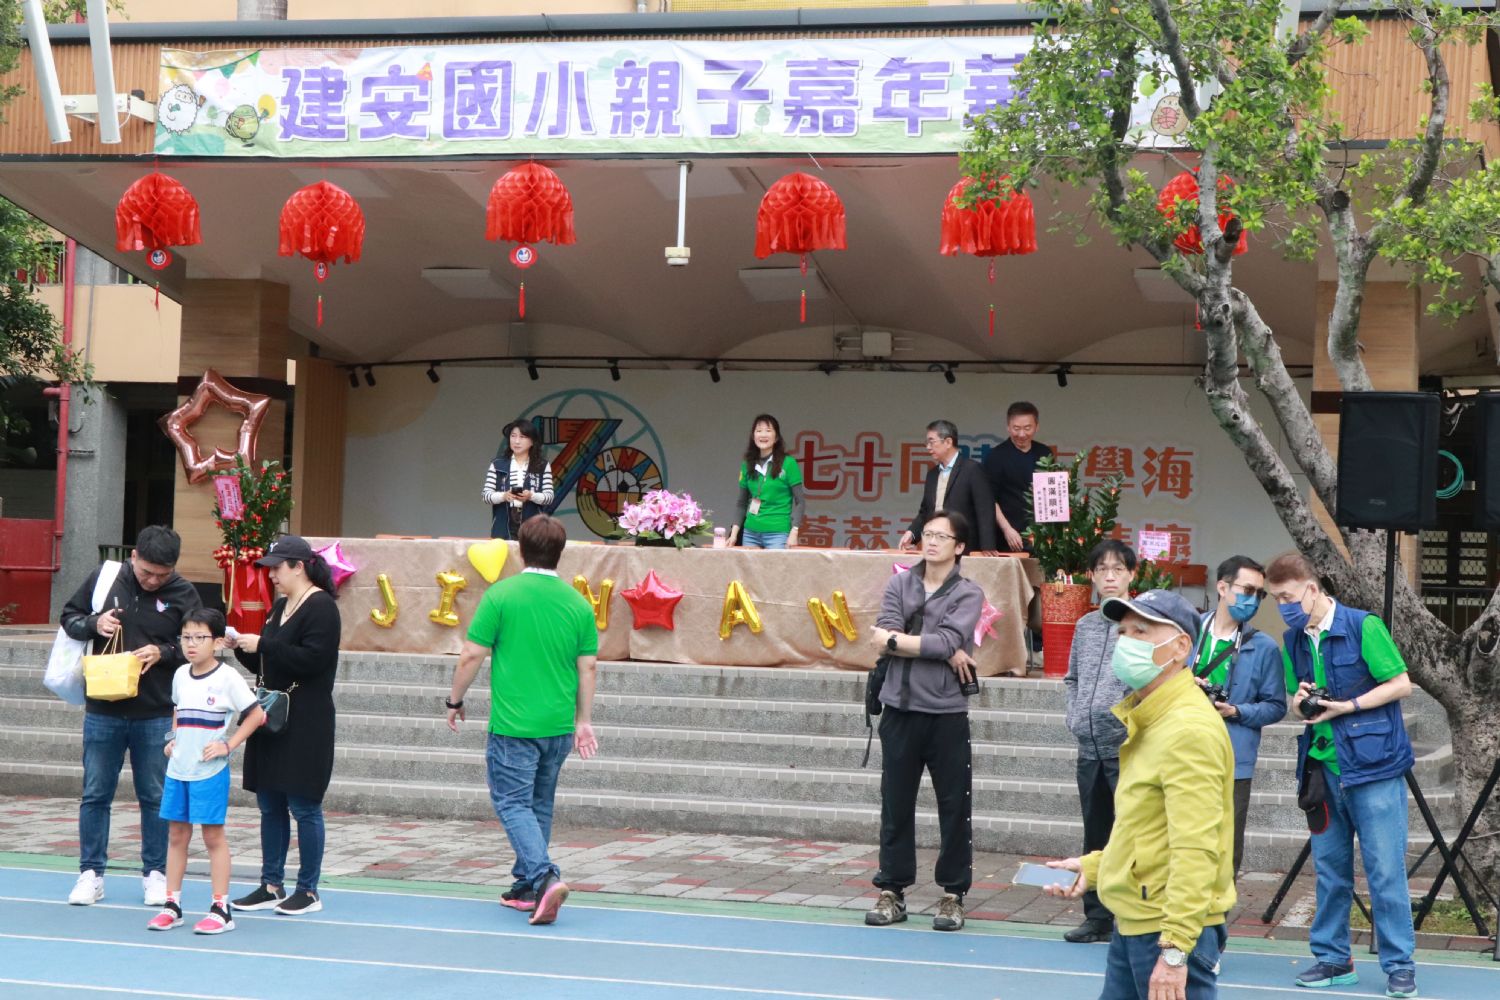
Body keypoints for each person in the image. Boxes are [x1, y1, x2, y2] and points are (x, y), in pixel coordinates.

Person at [1044, 590, 1236, 1000]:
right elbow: (1143, 829)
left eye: (1141, 631)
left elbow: (1196, 846)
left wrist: (1176, 950)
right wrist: (1096, 867)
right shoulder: (1152, 718)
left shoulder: (1187, 729)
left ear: (1181, 647)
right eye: (1123, 632)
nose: (1126, 641)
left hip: (1164, 929)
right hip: (1137, 920)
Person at [1265, 552, 1417, 999]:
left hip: (1374, 767)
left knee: (1385, 871)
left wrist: (1348, 706)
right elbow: (1296, 699)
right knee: (1330, 871)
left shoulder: (1362, 625)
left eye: (1288, 597)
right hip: (1321, 769)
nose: (1283, 607)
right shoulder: (1293, 640)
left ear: (1312, 589)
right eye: (1276, 599)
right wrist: (1301, 704)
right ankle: (1333, 958)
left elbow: (1401, 684)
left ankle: (1399, 964)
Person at [446, 514, 599, 925]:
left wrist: (454, 700)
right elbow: (588, 667)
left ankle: (544, 878)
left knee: (512, 802)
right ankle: (526, 885)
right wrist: (584, 720)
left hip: (514, 724)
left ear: (520, 550)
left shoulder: (501, 595)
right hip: (558, 724)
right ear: (560, 552)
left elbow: (471, 654)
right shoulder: (578, 604)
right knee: (538, 804)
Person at [60, 524, 202, 908]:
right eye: (147, 572)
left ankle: (155, 874)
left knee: (155, 796)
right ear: (133, 556)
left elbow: (200, 644)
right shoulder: (105, 578)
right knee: (95, 793)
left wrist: (165, 652)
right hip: (103, 707)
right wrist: (94, 623)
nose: (153, 580)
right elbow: (69, 616)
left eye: (162, 574)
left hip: (155, 711)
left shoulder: (183, 593)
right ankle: (91, 873)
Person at [865, 510, 985, 933]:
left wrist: (908, 642)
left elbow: (946, 640)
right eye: (927, 534)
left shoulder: (968, 593)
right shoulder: (900, 583)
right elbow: (885, 634)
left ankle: (953, 894)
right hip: (899, 708)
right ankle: (892, 890)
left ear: (960, 546)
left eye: (941, 536)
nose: (931, 542)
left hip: (946, 712)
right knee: (895, 803)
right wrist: (935, 646)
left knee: (954, 805)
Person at [231, 535, 342, 917]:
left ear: (299, 566)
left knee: (304, 804)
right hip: (273, 713)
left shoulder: (322, 607)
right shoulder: (280, 606)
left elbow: (312, 660)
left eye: (277, 568)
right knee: (270, 801)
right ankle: (271, 884)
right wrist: (241, 646)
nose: (272, 575)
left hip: (306, 718)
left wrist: (263, 644)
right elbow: (269, 663)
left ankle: (308, 889)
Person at [150, 608, 266, 935]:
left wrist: (228, 746)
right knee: (176, 835)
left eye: (199, 637)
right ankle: (172, 905)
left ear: (216, 642)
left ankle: (220, 909)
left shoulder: (228, 677)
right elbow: (178, 710)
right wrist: (173, 739)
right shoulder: (180, 675)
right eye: (186, 637)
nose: (191, 644)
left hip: (209, 772)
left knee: (213, 836)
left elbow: (256, 715)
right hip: (178, 770)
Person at [1060, 539, 1136, 944]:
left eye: (1118, 569)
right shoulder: (1085, 626)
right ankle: (1097, 917)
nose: (1110, 577)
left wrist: (1124, 720)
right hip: (1088, 748)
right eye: (1102, 569)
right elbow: (1072, 678)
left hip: (1126, 750)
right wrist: (1074, 716)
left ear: (1131, 575)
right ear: (1091, 576)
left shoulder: (1141, 625)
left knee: (1132, 834)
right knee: (1095, 835)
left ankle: (1132, 916)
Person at [1192, 556, 1286, 876]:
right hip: (1182, 751)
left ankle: (1220, 906)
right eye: (1248, 590)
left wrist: (1237, 710)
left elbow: (1276, 705)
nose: (1254, 600)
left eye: (1260, 594)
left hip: (1232, 759)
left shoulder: (1265, 647)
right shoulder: (1188, 632)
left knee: (1226, 847)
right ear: (1223, 587)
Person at [899, 420, 999, 553]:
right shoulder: (932, 475)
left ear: (948, 442)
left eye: (931, 442)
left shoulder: (972, 470)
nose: (928, 447)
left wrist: (988, 546)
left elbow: (985, 510)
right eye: (927, 443)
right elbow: (925, 512)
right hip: (935, 546)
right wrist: (911, 533)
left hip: (964, 547)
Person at [981, 401, 1053, 553]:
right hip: (1008, 536)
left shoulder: (1045, 453)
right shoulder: (996, 456)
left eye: (1027, 428)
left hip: (1041, 536)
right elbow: (989, 499)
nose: (1021, 434)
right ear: (1008, 427)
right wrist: (1007, 529)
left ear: (1037, 427)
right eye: (1016, 428)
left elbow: (1051, 494)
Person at [728, 413, 805, 549]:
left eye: (768, 431)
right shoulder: (747, 464)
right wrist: (734, 534)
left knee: (775, 564)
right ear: (753, 436)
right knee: (748, 564)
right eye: (759, 431)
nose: (763, 435)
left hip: (778, 533)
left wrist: (794, 531)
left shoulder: (788, 463)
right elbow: (741, 503)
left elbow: (800, 502)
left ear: (776, 437)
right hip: (750, 532)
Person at [482, 418, 556, 540]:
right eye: (513, 436)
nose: (516, 441)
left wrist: (531, 496)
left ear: (532, 441)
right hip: (503, 525)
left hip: (532, 525)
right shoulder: (497, 464)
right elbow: (486, 496)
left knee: (530, 551)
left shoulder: (542, 465)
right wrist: (504, 496)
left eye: (522, 437)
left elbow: (549, 497)